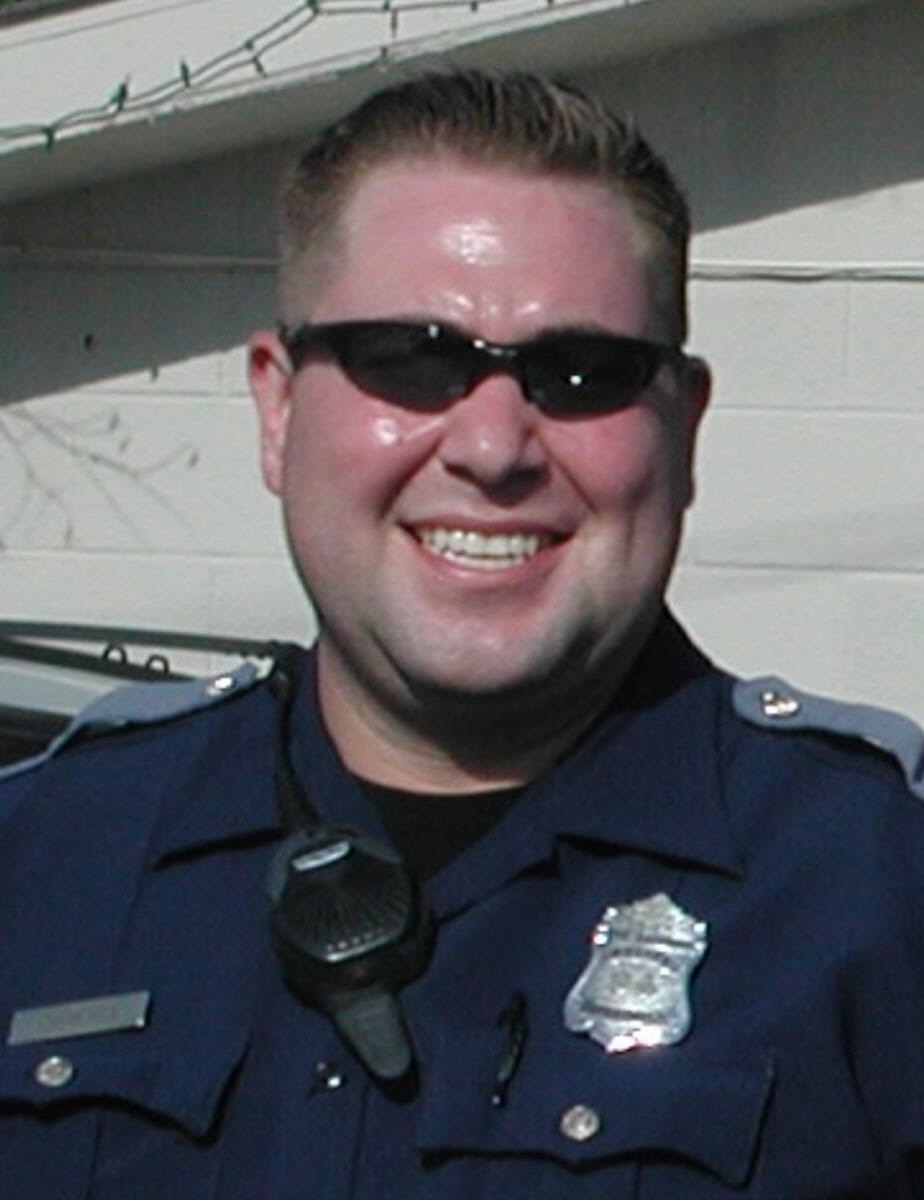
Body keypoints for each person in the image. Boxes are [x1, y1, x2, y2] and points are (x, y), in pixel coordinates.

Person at [1, 69, 923, 1199]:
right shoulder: (45, 862)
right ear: (278, 409)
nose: (494, 448)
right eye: (413, 358)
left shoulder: (881, 892)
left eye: (581, 373)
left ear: (682, 432)